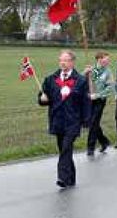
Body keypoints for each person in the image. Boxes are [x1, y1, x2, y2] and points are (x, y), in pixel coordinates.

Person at [37, 49, 91, 190]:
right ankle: (71, 178)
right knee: (64, 150)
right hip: (58, 120)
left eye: (66, 60)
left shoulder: (80, 81)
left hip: (73, 121)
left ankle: (62, 177)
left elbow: (85, 102)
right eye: (61, 60)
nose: (63, 63)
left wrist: (86, 120)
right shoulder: (51, 80)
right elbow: (44, 98)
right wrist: (42, 99)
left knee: (66, 148)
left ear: (72, 62)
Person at [85, 52, 113, 157]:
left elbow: (110, 88)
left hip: (100, 100)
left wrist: (97, 95)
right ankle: (104, 141)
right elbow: (82, 82)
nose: (108, 61)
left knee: (93, 123)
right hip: (89, 100)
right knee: (92, 122)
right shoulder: (92, 70)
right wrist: (85, 73)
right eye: (106, 59)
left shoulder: (108, 72)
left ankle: (90, 147)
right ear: (99, 59)